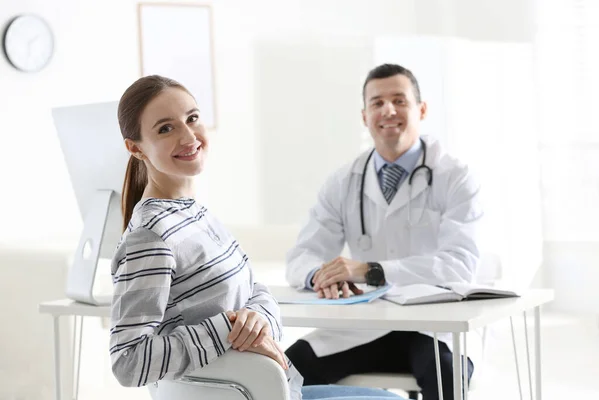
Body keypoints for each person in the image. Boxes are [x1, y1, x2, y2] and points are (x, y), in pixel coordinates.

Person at [108, 75, 405, 400]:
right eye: (166, 128)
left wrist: (254, 319)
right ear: (135, 148)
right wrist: (230, 325)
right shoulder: (151, 237)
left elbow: (256, 291)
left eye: (192, 118)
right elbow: (128, 362)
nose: (189, 135)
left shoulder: (194, 214)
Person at [284, 64, 484, 400]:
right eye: (377, 103)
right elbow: (300, 258)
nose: (387, 110)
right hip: (365, 326)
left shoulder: (455, 176)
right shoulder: (344, 181)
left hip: (434, 324)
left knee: (446, 379)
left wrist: (371, 270)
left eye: (399, 100)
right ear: (365, 116)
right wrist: (323, 274)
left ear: (421, 110)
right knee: (281, 373)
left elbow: (460, 264)